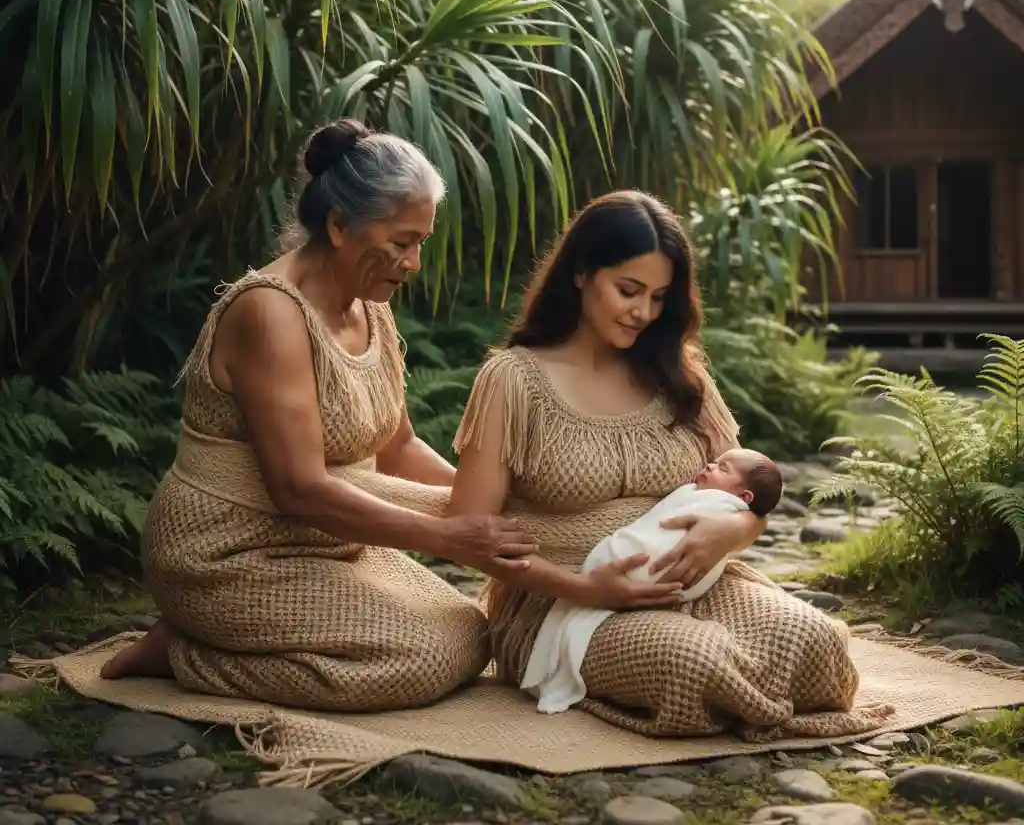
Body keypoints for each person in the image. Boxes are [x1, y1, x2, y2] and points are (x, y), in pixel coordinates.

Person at [99, 118, 538, 712]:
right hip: (228, 552)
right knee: (423, 659)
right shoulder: (270, 314)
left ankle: (225, 640)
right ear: (338, 225)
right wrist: (446, 537)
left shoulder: (368, 303)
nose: (412, 262)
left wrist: (485, 499)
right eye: (403, 241)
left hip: (325, 541)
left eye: (421, 244)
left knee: (470, 632)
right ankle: (183, 650)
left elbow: (397, 445)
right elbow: (298, 488)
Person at [448, 190, 891, 739]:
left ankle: (752, 698)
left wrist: (733, 529)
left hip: (697, 581)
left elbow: (751, 491)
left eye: (659, 297)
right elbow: (467, 532)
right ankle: (746, 701)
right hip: (564, 604)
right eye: (628, 291)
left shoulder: (679, 374)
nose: (644, 312)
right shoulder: (514, 381)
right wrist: (587, 589)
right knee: (695, 665)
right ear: (581, 273)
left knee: (813, 639)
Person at [521, 448, 783, 714]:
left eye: (721, 467)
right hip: (559, 586)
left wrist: (734, 525)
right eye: (715, 463)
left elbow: (757, 509)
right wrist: (584, 588)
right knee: (697, 660)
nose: (710, 465)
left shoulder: (700, 412)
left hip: (690, 581)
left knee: (804, 635)